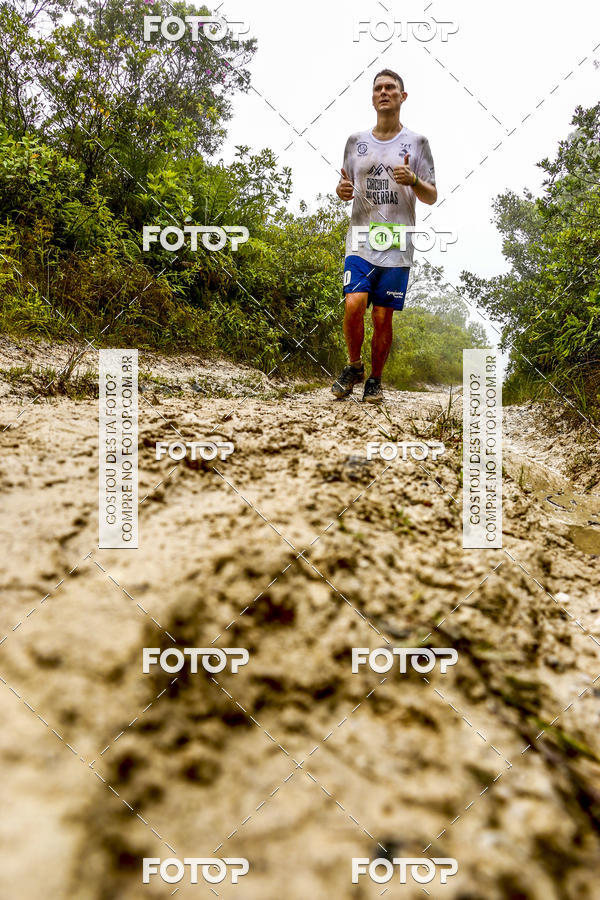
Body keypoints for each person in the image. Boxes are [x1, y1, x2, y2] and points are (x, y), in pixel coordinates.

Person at [332, 69, 437, 403]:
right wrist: (342, 190)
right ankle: (354, 366)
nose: (384, 92)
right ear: (372, 97)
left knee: (381, 315)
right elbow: (345, 185)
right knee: (354, 304)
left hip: (396, 240)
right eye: (378, 88)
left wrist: (414, 181)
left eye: (391, 87)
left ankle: (375, 380)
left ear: (402, 97)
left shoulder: (418, 143)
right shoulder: (355, 141)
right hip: (361, 237)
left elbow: (431, 195)